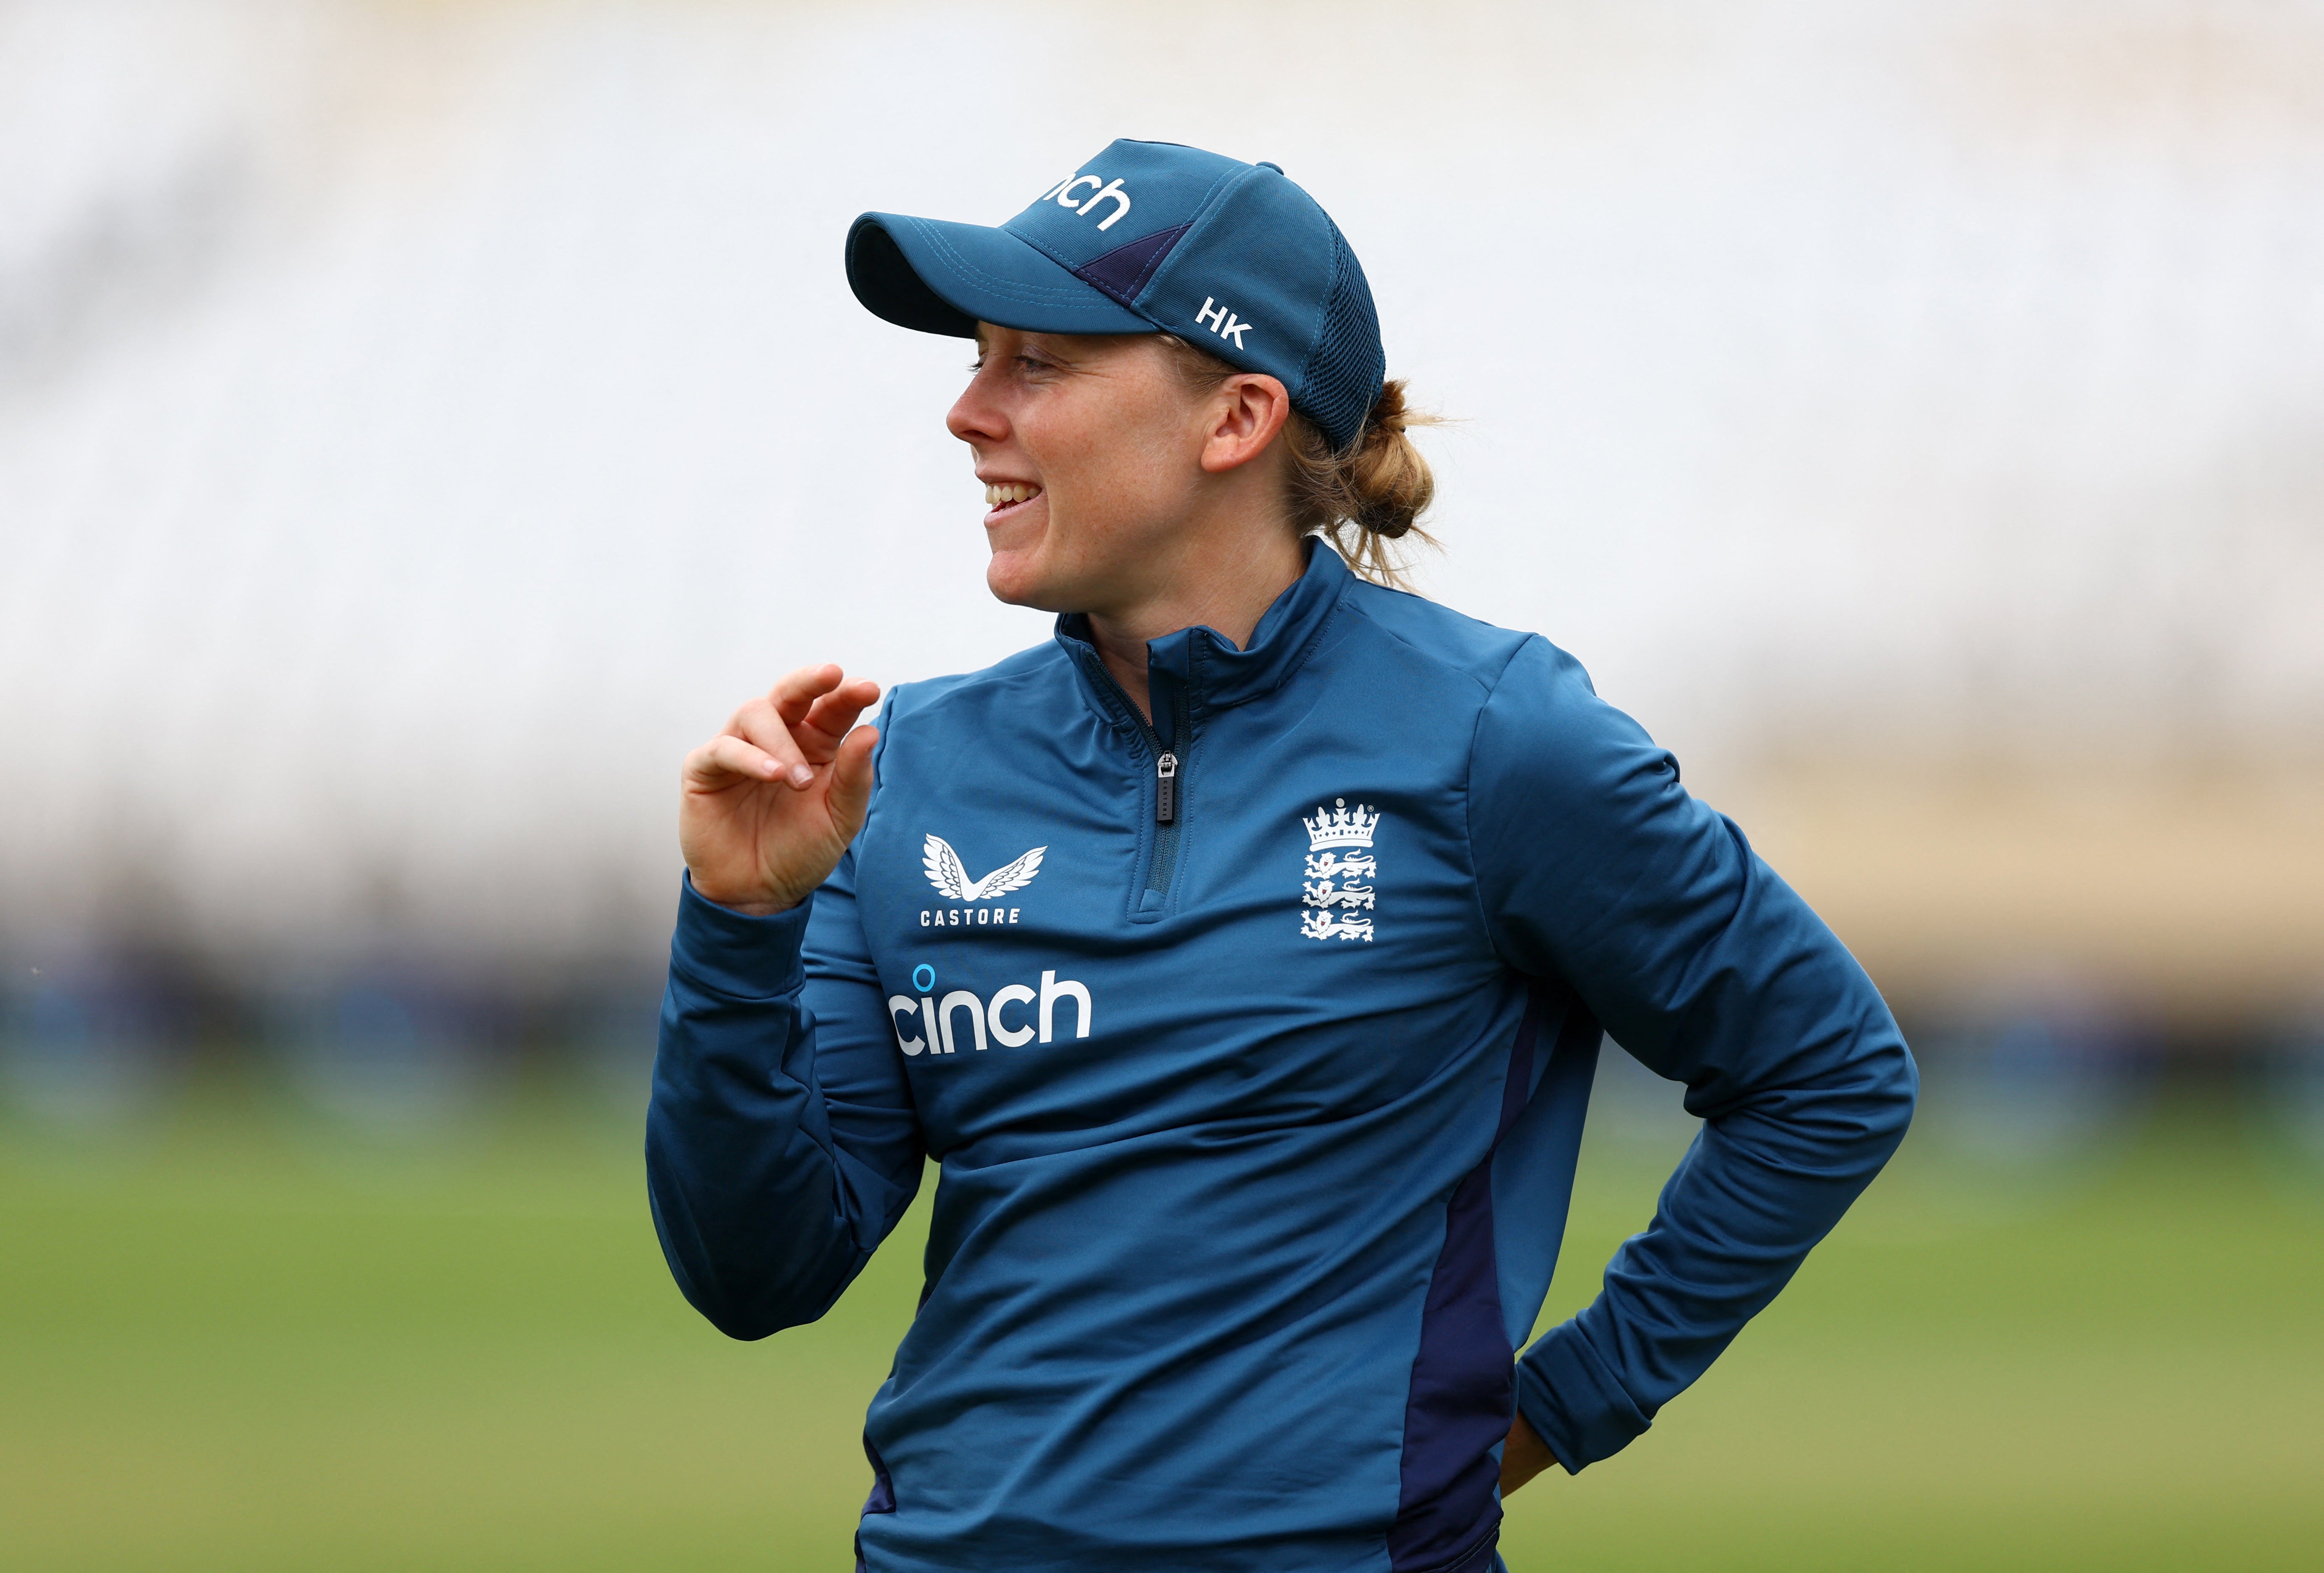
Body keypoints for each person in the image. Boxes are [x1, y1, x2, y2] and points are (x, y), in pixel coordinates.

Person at [647, 139, 1916, 1573]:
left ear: (1238, 415)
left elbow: (1828, 1074)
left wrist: (1563, 1404)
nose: (966, 410)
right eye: (976, 360)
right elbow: (760, 1270)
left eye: (1037, 364)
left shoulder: (1500, 738)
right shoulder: (906, 768)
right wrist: (740, 920)